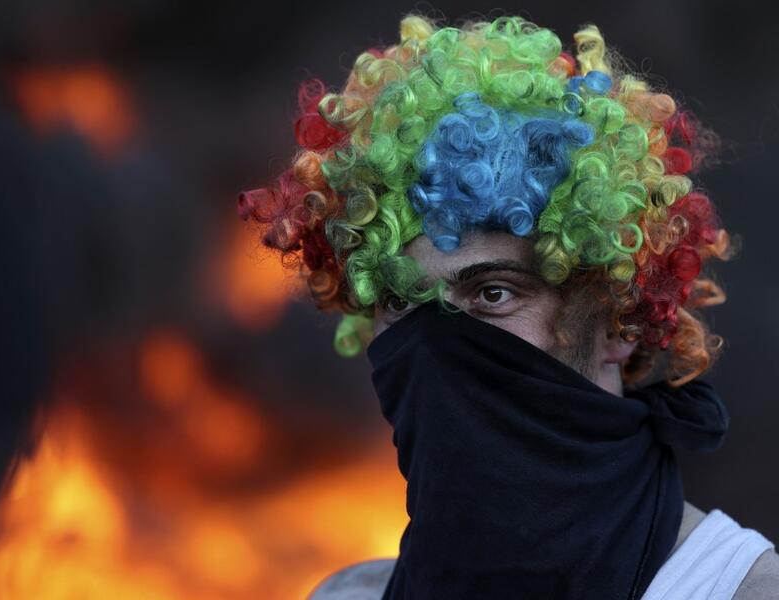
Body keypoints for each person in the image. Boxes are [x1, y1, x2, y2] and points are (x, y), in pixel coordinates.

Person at [238, 12, 779, 599]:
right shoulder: (348, 595)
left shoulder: (740, 588)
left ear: (618, 323)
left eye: (493, 293)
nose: (437, 341)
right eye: (399, 299)